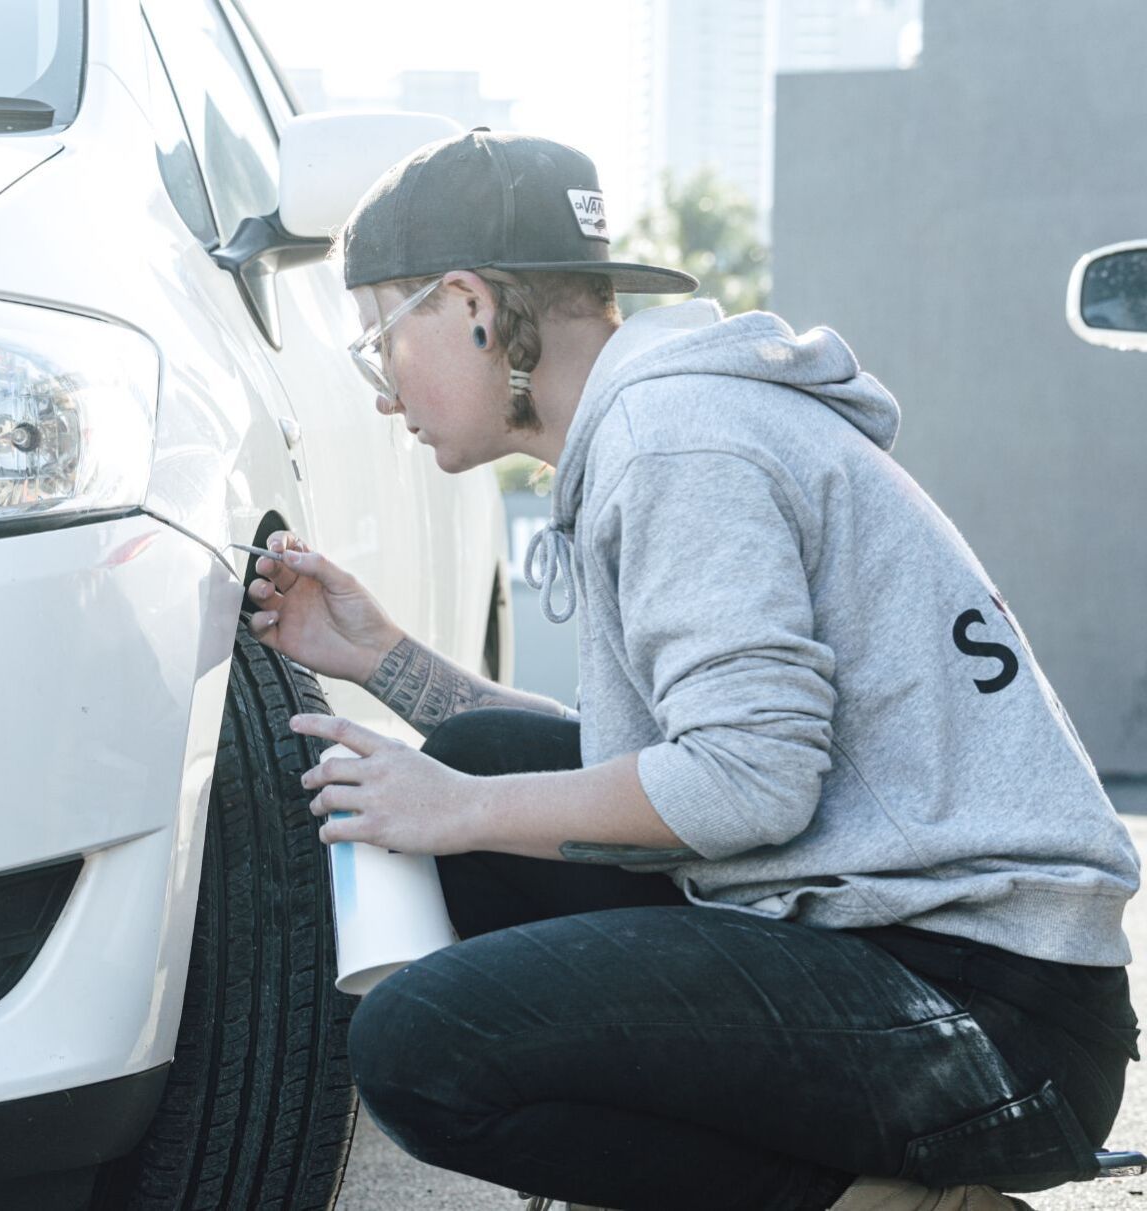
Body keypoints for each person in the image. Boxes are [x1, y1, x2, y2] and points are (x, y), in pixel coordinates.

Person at [244, 131, 1140, 1211]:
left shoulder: (678, 443)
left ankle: (903, 1205)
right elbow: (647, 767)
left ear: (471, 304)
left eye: (378, 341)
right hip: (920, 962)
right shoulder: (665, 425)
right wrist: (386, 662)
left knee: (420, 1047)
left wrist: (462, 808)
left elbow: (743, 782)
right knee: (480, 753)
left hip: (987, 1024)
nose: (385, 393)